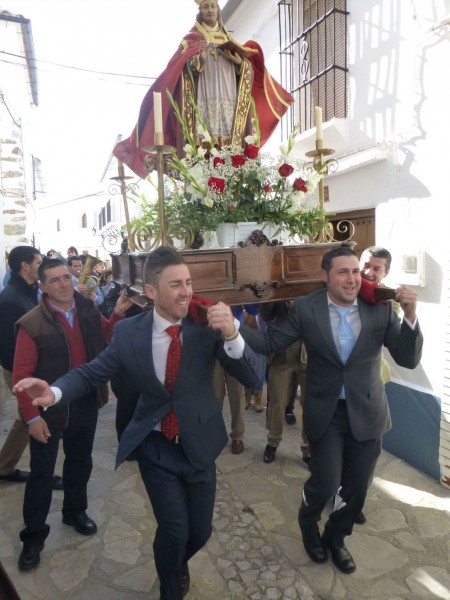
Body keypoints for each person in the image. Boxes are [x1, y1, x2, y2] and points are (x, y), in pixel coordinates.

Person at [14, 246, 261, 599]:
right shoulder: (130, 333)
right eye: (175, 284)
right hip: (155, 445)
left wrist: (234, 335)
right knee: (174, 529)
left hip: (199, 444)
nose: (186, 292)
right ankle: (170, 588)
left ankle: (175, 563)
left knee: (199, 532)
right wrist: (53, 393)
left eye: (188, 282)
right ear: (150, 291)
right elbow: (90, 373)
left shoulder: (206, 327)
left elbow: (254, 378)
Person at [207, 246, 423, 574]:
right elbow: (269, 344)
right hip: (326, 410)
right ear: (325, 276)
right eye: (343, 272)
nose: (353, 279)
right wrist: (233, 330)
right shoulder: (308, 309)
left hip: (367, 410)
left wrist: (409, 316)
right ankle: (308, 525)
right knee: (324, 483)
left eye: (355, 271)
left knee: (356, 488)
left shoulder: (379, 308)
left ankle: (336, 537)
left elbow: (407, 358)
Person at [13, 258, 134, 571]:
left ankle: (74, 511)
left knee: (80, 461)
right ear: (42, 286)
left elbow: (105, 337)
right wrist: (32, 418)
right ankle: (34, 536)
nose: (63, 284)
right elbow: (21, 379)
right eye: (54, 280)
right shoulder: (31, 323)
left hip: (84, 400)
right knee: (41, 473)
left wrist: (117, 314)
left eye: (66, 277)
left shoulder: (87, 308)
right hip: (49, 407)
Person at [113, 0, 293, 179]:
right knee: (204, 140)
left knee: (229, 141)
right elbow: (178, 70)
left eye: (213, 6)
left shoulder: (229, 41)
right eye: (205, 6)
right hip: (203, 99)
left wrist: (240, 64)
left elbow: (246, 74)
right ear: (200, 12)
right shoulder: (190, 40)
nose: (209, 10)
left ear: (218, 10)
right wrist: (199, 60)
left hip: (227, 97)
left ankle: (227, 168)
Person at [0, 247, 64, 487]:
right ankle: (41, 474)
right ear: (25, 266)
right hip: (21, 372)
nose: (42, 265)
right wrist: (25, 377)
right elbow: (8, 347)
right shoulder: (10, 299)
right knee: (32, 417)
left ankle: (5, 466)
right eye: (38, 262)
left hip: (31, 370)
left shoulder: (27, 290)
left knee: (26, 418)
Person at [259, 301, 309, 466]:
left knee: (310, 405)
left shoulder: (315, 280)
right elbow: (266, 316)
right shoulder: (279, 279)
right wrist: (270, 296)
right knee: (277, 401)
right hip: (282, 352)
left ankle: (308, 450)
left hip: (309, 351)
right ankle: (272, 443)